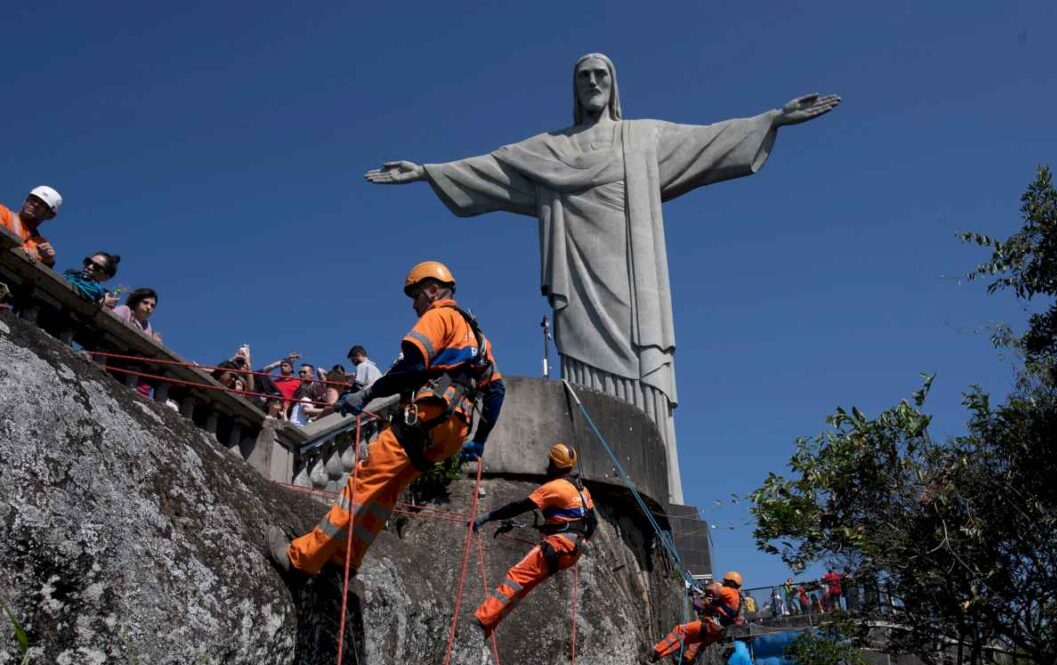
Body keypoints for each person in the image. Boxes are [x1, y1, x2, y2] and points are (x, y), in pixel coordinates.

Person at [365, 53, 840, 502]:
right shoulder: (549, 150)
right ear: (574, 88)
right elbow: (490, 167)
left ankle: (664, 492)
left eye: (601, 75)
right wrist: (427, 172)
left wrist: (773, 118)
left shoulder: (642, 139)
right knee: (585, 366)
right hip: (578, 279)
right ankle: (589, 466)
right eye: (583, 76)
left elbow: (710, 139)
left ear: (613, 86)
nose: (593, 82)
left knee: (644, 362)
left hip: (634, 275)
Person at [265, 261, 507, 576]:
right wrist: (481, 439)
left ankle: (302, 557)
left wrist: (368, 395)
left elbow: (413, 367)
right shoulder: (479, 337)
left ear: (433, 290)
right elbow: (497, 390)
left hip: (427, 415)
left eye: (416, 296)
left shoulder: (439, 316)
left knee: (363, 484)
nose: (414, 305)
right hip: (453, 430)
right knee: (387, 492)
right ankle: (346, 561)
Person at [471, 443, 596, 634]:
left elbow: (519, 507)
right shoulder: (582, 490)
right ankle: (489, 627)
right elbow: (592, 522)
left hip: (557, 546)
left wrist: (487, 517)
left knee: (516, 577)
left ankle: (480, 622)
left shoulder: (554, 487)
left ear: (554, 464)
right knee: (522, 587)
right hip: (571, 552)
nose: (547, 467)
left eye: (550, 463)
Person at [649, 571, 745, 665]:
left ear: (732, 583)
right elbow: (732, 618)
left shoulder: (730, 591)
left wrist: (708, 591)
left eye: (726, 581)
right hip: (717, 632)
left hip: (709, 625)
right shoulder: (739, 600)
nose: (724, 582)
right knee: (685, 640)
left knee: (680, 630)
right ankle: (667, 658)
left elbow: (713, 589)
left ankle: (657, 650)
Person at [0, 186, 62, 267]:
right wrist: (22, 250)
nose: (35, 204)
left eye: (42, 204)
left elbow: (37, 275)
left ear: (50, 215)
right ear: (25, 201)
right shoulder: (3, 212)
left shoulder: (41, 243)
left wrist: (48, 262)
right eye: (33, 199)